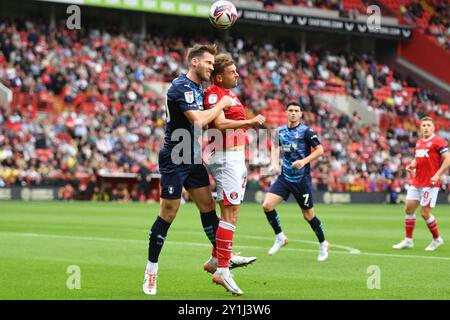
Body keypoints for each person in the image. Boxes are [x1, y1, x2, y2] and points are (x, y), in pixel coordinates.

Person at [143, 44, 254, 296]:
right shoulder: (180, 86)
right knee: (168, 213)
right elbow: (200, 120)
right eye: (208, 63)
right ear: (194, 62)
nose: (211, 67)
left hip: (192, 155)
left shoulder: (198, 88)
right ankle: (151, 270)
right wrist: (223, 102)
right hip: (175, 155)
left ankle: (222, 258)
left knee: (207, 207)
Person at [203, 53, 265, 295]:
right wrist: (249, 123)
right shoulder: (214, 94)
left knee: (229, 211)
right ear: (219, 76)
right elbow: (218, 125)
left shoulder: (231, 95)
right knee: (230, 212)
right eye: (232, 72)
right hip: (226, 158)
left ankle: (213, 260)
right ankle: (222, 270)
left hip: (235, 157)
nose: (238, 74)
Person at [261, 102, 330, 261]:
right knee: (267, 205)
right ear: (286, 112)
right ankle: (280, 237)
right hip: (285, 177)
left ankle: (323, 243)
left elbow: (320, 150)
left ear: (300, 114)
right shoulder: (279, 131)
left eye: (296, 111)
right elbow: (274, 147)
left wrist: (304, 161)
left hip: (301, 180)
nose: (293, 113)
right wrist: (273, 163)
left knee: (308, 216)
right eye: (290, 110)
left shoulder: (306, 131)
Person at [393, 117, 450, 251]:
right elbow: (418, 159)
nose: (426, 127)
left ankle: (437, 239)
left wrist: (437, 175)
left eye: (428, 125)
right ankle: (408, 240)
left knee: (425, 213)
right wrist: (412, 165)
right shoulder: (419, 142)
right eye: (423, 125)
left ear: (433, 127)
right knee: (408, 209)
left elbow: (448, 159)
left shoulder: (438, 141)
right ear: (420, 128)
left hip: (429, 183)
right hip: (417, 181)